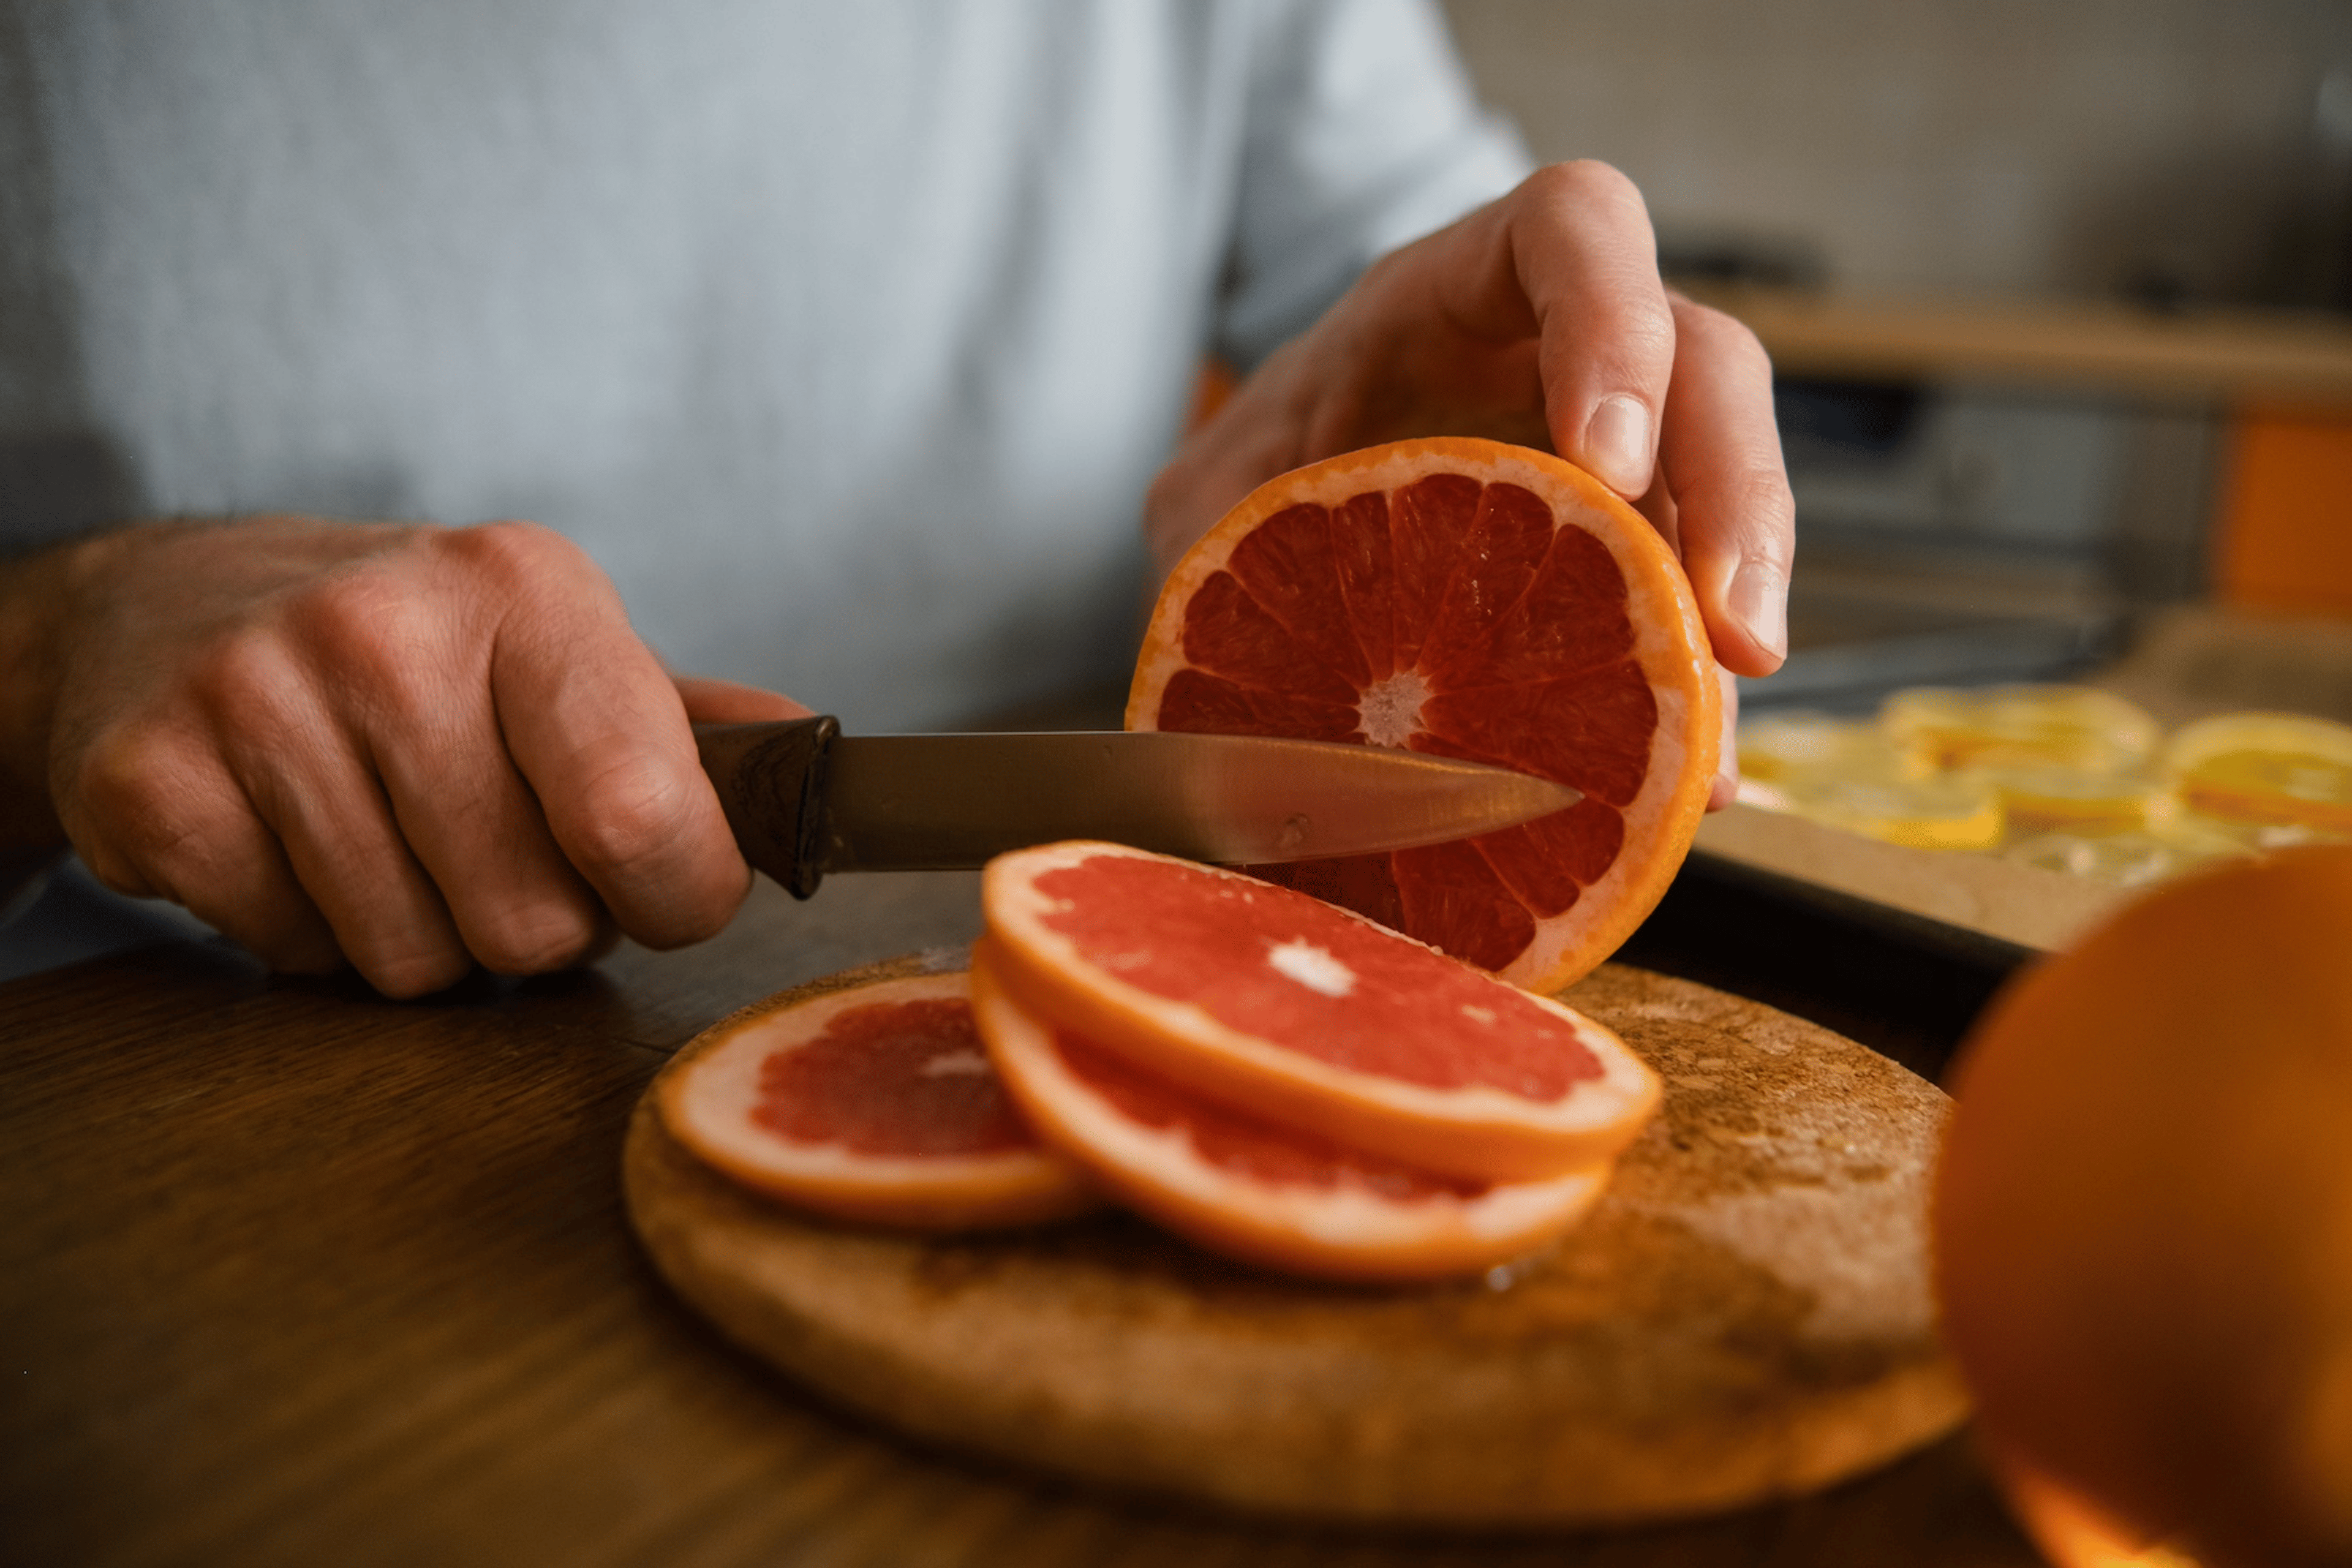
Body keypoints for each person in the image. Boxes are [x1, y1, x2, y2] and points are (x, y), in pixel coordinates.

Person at [0, 0, 1790, 997]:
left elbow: (1444, 292)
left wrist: (1514, 483)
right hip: (141, 1064)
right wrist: (39, 656)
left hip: (1034, 986)